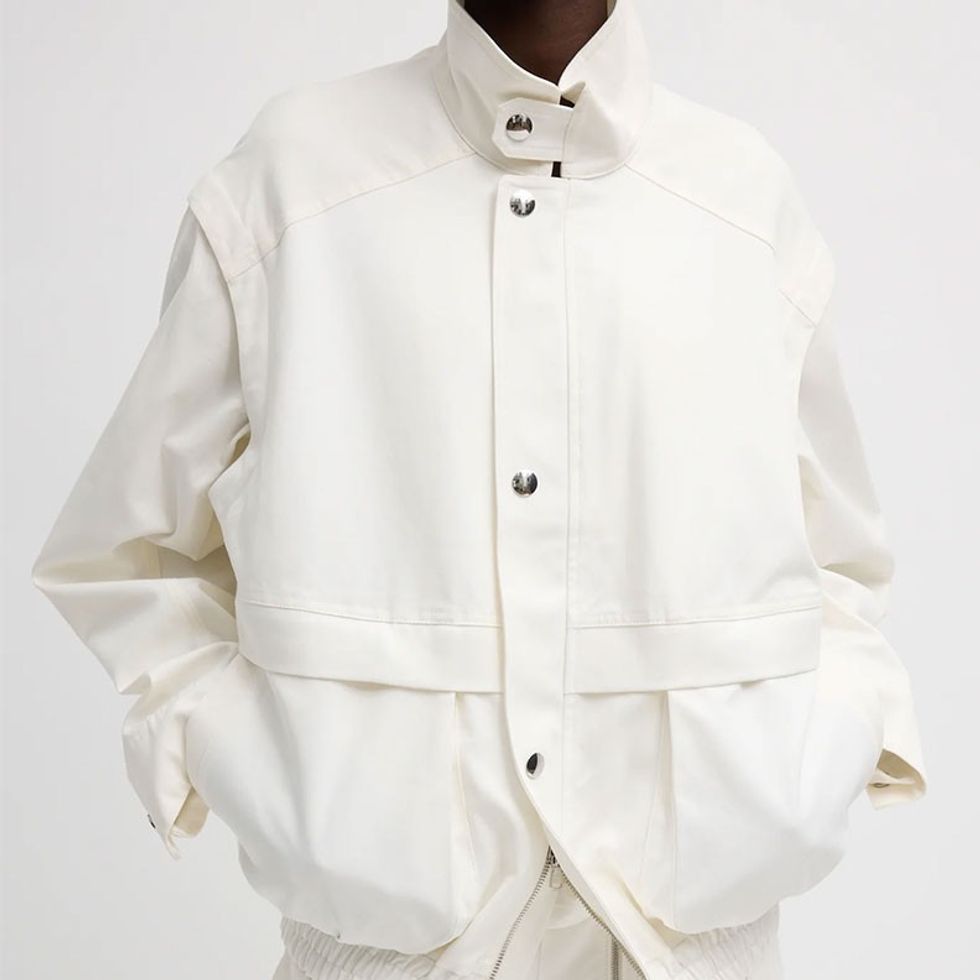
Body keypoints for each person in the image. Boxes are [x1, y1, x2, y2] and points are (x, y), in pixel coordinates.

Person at [31, 1, 927, 978]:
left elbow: (840, 562)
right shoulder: (292, 183)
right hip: (384, 956)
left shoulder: (742, 199)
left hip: (700, 953)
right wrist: (252, 764)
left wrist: (804, 773)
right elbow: (127, 550)